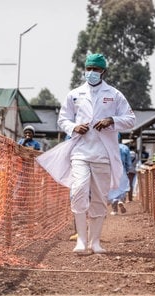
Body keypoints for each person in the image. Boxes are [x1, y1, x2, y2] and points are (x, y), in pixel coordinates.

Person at [37, 53, 135, 254]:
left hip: (104, 154)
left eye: (96, 69)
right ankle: (81, 240)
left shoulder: (114, 95)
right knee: (79, 191)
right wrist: (74, 127)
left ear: (103, 72)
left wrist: (112, 120)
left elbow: (131, 119)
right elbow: (63, 119)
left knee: (100, 197)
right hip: (80, 152)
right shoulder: (74, 94)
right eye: (88, 68)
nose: (91, 72)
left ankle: (95, 242)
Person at [108, 136, 132, 215]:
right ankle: (120, 201)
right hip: (122, 169)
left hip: (111, 170)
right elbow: (129, 162)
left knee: (112, 188)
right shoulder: (124, 147)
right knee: (122, 187)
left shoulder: (108, 147)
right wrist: (128, 169)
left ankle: (114, 209)